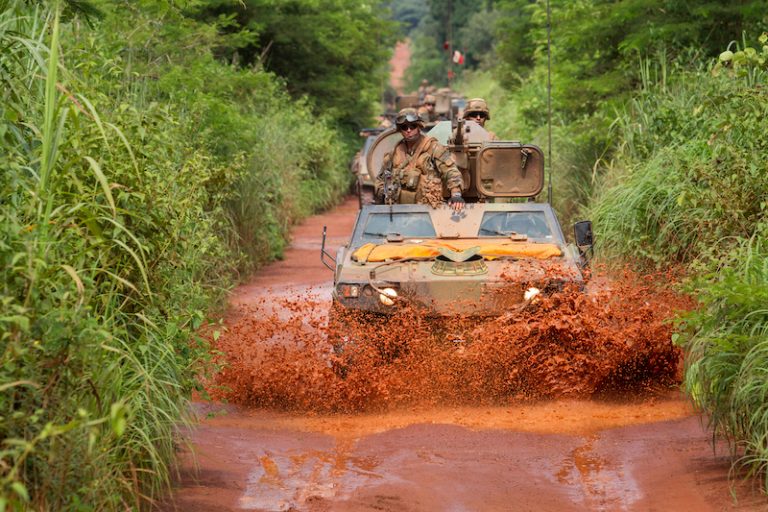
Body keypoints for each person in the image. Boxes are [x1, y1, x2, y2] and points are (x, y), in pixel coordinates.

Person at [375, 108, 465, 212]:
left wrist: (456, 194)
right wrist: (384, 193)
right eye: (404, 127)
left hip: (428, 210)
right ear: (400, 130)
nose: (409, 130)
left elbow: (451, 172)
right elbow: (380, 179)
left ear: (419, 127)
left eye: (413, 126)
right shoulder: (394, 153)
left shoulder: (433, 148)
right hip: (399, 211)